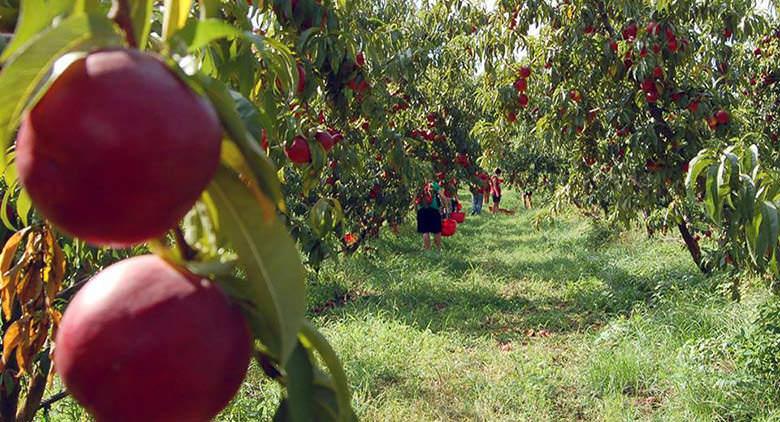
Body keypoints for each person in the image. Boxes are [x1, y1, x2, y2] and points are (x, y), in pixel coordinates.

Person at [415, 181, 445, 250]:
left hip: (422, 209)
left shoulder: (419, 184)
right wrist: (445, 207)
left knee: (425, 231)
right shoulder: (434, 184)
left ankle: (427, 250)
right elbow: (442, 196)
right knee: (437, 231)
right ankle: (438, 249)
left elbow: (414, 199)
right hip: (434, 210)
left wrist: (416, 209)